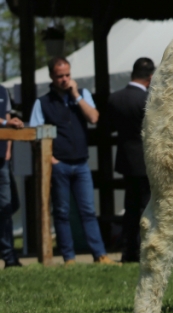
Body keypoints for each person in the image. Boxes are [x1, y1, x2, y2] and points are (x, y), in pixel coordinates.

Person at [29, 57, 115, 265]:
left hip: (81, 163)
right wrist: (52, 160)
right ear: (51, 76)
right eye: (60, 76)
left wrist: (76, 95)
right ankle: (68, 257)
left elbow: (94, 118)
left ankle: (100, 254)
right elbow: (35, 135)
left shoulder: (82, 95)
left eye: (68, 75)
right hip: (60, 164)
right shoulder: (42, 102)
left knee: (88, 210)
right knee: (62, 212)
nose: (65, 80)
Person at [106, 58, 155, 263]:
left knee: (131, 208)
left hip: (126, 159)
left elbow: (107, 127)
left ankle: (129, 250)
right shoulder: (147, 100)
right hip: (145, 160)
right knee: (146, 207)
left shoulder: (115, 98)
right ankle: (145, 249)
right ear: (150, 77)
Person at [0, 85, 25, 268]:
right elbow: (6, 122)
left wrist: (8, 149)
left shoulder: (2, 90)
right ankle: (9, 256)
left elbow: (8, 117)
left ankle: (8, 255)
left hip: (2, 159)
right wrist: (5, 124)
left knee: (10, 205)